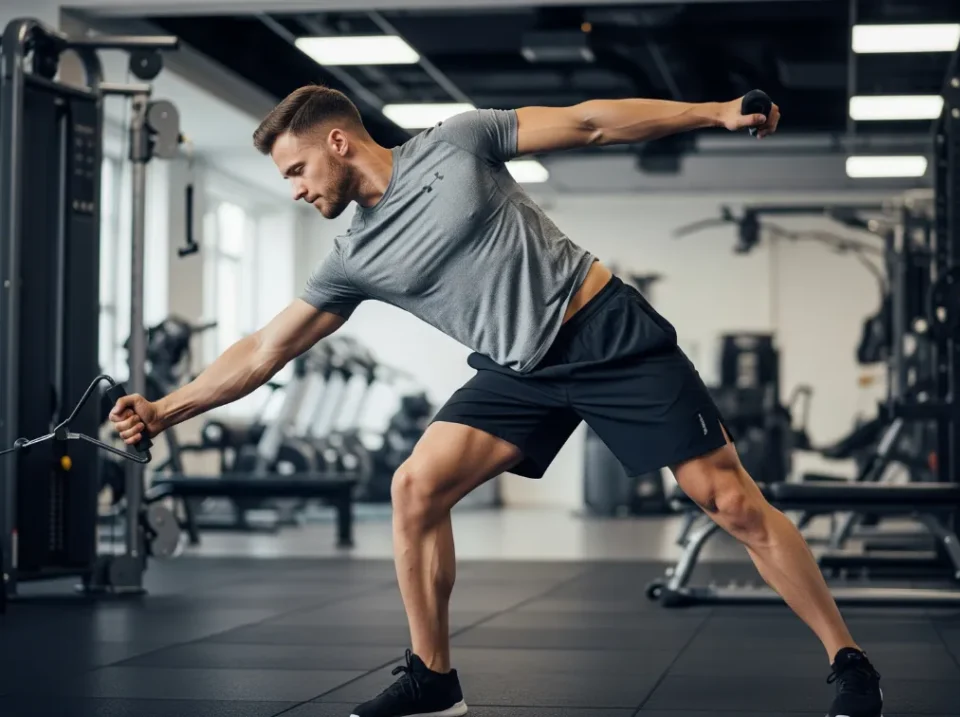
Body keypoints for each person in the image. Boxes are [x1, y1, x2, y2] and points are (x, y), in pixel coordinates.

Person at [109, 84, 883, 717]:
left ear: (338, 141)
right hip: (521, 369)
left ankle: (849, 660)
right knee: (415, 485)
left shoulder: (455, 142)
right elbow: (263, 349)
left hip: (604, 330)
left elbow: (588, 123)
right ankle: (432, 676)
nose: (300, 189)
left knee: (730, 501)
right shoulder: (352, 257)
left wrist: (712, 111)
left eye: (297, 170)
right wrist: (166, 408)